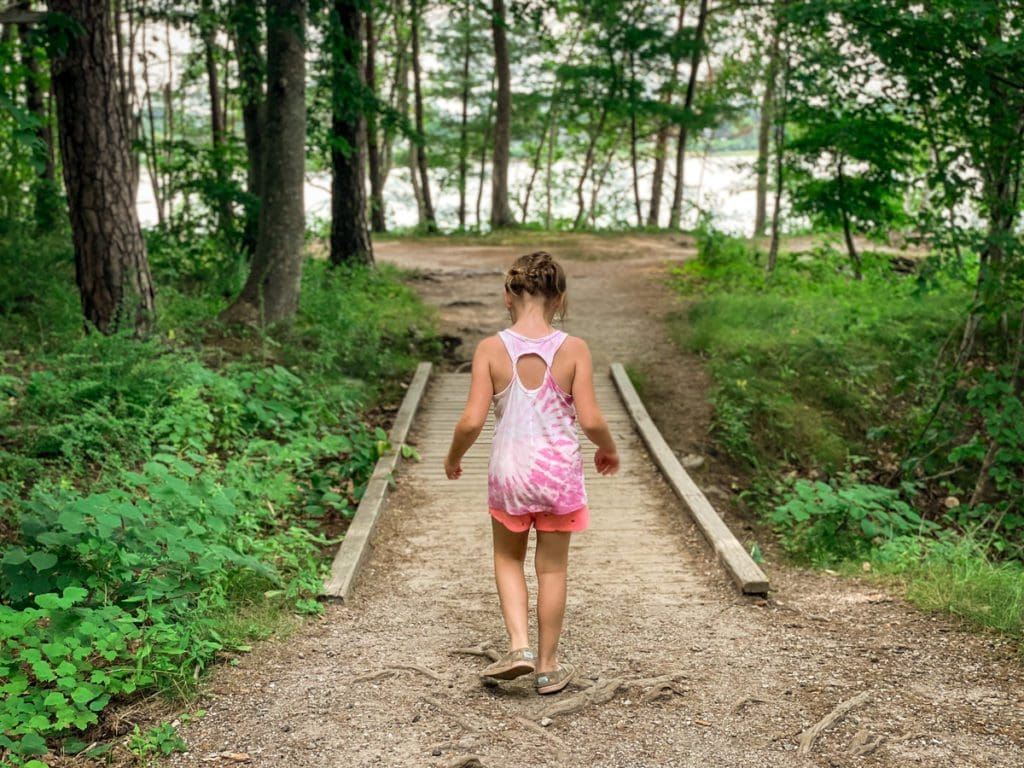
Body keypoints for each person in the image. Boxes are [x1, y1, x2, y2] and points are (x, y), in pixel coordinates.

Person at [444, 251, 619, 695]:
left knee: (507, 558)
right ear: (559, 299)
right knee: (553, 570)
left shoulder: (490, 349)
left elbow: (470, 421)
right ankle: (547, 667)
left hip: (510, 474)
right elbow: (593, 419)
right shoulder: (574, 349)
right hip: (559, 475)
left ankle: (519, 646)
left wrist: (453, 456)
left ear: (508, 295)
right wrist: (608, 449)